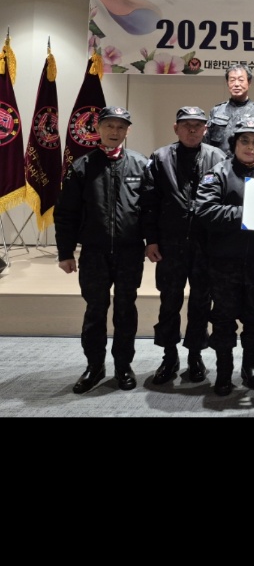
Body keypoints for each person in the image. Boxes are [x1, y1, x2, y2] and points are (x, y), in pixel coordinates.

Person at [54, 105, 149, 394]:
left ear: (127, 131)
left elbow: (151, 210)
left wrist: (153, 241)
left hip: (130, 252)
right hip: (94, 253)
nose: (114, 131)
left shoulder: (141, 165)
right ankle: (94, 366)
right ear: (98, 128)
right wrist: (65, 252)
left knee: (125, 310)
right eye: (109, 125)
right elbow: (66, 213)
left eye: (121, 127)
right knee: (95, 310)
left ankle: (123, 366)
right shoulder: (81, 167)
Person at [140, 106, 225, 386]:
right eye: (186, 125)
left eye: (198, 125)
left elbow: (225, 201)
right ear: (176, 128)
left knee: (201, 303)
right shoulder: (160, 157)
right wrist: (151, 239)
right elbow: (149, 202)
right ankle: (169, 356)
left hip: (205, 246)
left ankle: (195, 356)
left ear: (205, 129)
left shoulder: (217, 157)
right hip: (170, 244)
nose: (192, 130)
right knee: (169, 303)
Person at [193, 118, 254, 396]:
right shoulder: (217, 173)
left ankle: (250, 366)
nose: (250, 147)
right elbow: (206, 212)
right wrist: (249, 214)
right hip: (224, 263)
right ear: (234, 143)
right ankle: (224, 371)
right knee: (223, 319)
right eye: (244, 141)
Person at [206, 63, 254, 160]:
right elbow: (207, 145)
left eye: (241, 80)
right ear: (227, 83)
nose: (236, 84)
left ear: (249, 82)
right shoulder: (216, 111)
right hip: (219, 165)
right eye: (232, 80)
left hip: (248, 166)